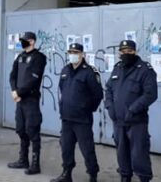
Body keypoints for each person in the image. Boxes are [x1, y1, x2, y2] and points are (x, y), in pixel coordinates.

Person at [105, 40, 158, 182]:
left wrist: (133, 109)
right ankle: (125, 177)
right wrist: (110, 107)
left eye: (129, 51)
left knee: (139, 154)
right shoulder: (117, 68)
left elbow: (150, 94)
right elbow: (108, 89)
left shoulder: (145, 70)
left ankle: (144, 179)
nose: (125, 54)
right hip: (119, 121)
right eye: (122, 51)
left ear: (135, 51)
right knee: (122, 154)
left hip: (136, 122)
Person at [52, 43, 104, 182]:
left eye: (76, 52)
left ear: (82, 54)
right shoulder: (65, 70)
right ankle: (66, 174)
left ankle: (93, 174)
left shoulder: (90, 72)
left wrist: (86, 108)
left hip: (82, 120)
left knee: (87, 150)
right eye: (70, 52)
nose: (73, 55)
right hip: (67, 118)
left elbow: (98, 95)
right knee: (66, 148)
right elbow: (62, 89)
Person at [8, 31, 47, 175]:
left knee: (32, 130)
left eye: (25, 40)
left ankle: (35, 164)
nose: (22, 42)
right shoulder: (20, 56)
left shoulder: (39, 58)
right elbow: (12, 75)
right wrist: (14, 91)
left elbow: (33, 80)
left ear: (32, 41)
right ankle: (23, 159)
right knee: (20, 129)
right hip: (19, 99)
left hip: (30, 99)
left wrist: (19, 92)